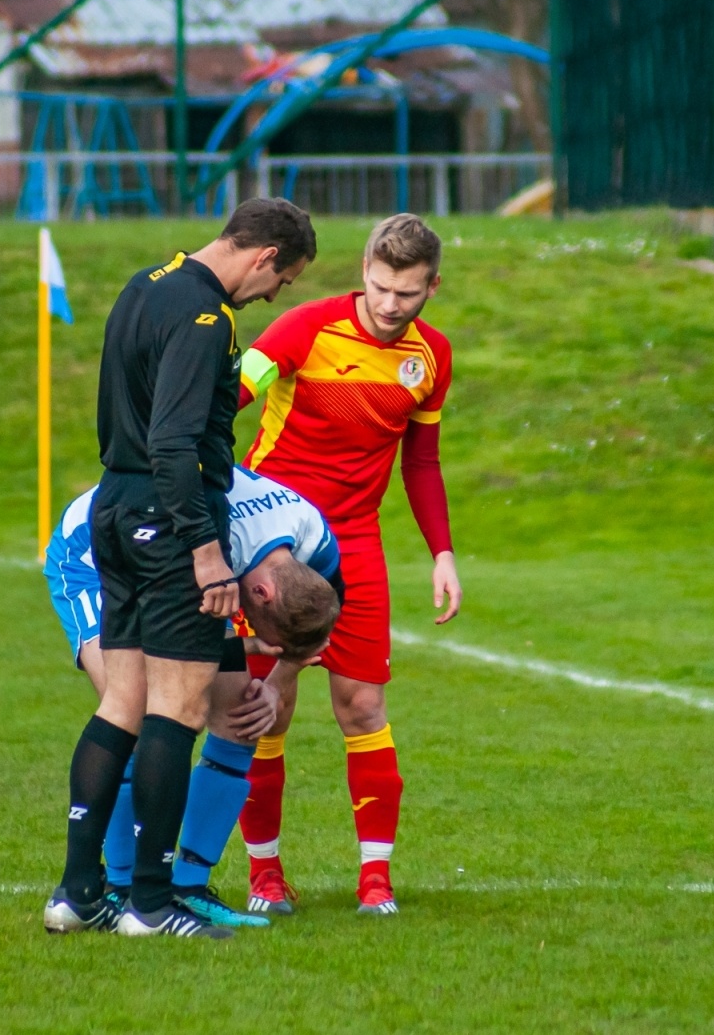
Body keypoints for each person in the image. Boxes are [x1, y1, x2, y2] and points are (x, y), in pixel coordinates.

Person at [45, 198, 317, 939]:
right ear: (263, 257)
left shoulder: (147, 282)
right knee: (182, 705)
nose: (273, 297)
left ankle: (78, 894)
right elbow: (175, 442)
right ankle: (153, 904)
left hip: (115, 503)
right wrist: (203, 551)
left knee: (122, 702)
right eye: (281, 281)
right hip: (170, 516)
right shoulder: (208, 318)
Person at [234, 213, 460, 917]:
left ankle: (375, 882)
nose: (392, 305)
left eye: (409, 293)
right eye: (381, 286)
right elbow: (225, 397)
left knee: (362, 705)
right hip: (270, 543)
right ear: (363, 269)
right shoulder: (302, 328)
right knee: (264, 709)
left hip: (354, 542)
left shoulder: (432, 359)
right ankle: (265, 877)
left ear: (432, 287)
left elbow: (420, 461)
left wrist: (442, 553)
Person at [41, 466, 342, 932]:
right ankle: (122, 888)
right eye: (268, 636)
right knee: (136, 712)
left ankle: (188, 888)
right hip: (99, 551)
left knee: (239, 715)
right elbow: (179, 639)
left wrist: (277, 683)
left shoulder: (314, 539)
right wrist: (242, 646)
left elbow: (319, 619)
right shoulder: (214, 546)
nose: (268, 646)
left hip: (186, 559)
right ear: (260, 592)